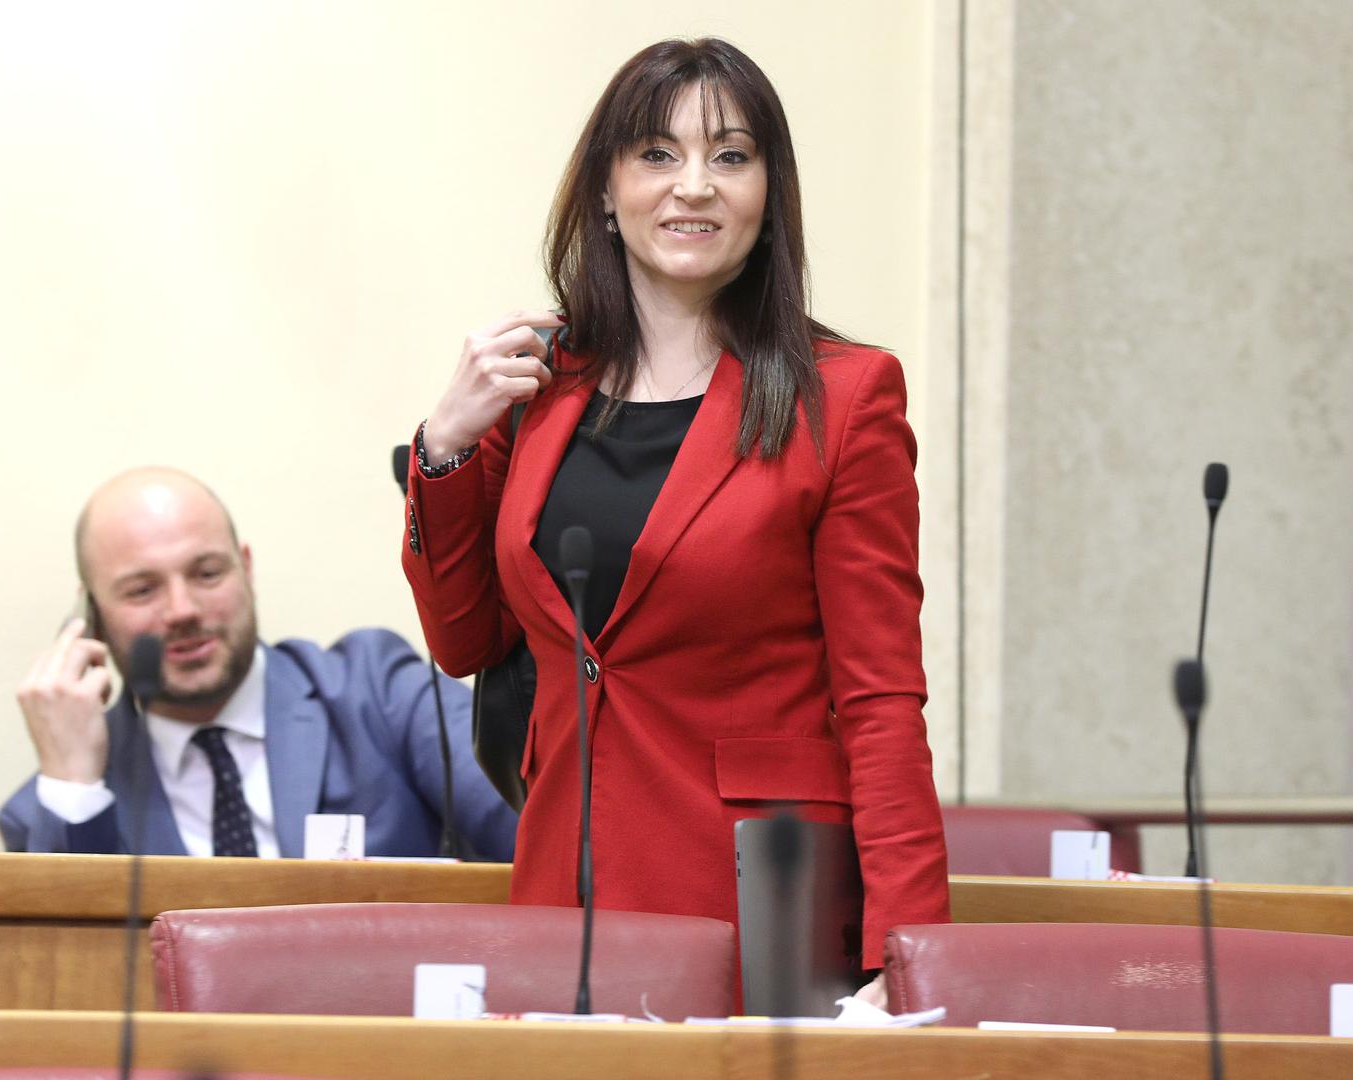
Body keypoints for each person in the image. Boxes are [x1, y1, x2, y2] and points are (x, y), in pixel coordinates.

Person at [400, 38, 949, 1002]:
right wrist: (443, 445)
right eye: (656, 154)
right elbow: (463, 641)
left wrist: (905, 955)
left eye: (729, 156)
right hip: (562, 883)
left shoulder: (846, 397)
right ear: (605, 192)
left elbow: (880, 701)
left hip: (755, 892)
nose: (693, 185)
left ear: (768, 197)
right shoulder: (536, 387)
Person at [0, 466, 518, 861]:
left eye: (206, 573)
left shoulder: (378, 693)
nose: (182, 610)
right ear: (93, 613)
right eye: (141, 590)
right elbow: (72, 964)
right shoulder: (54, 806)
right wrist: (72, 783)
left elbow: (537, 837)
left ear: (244, 569)